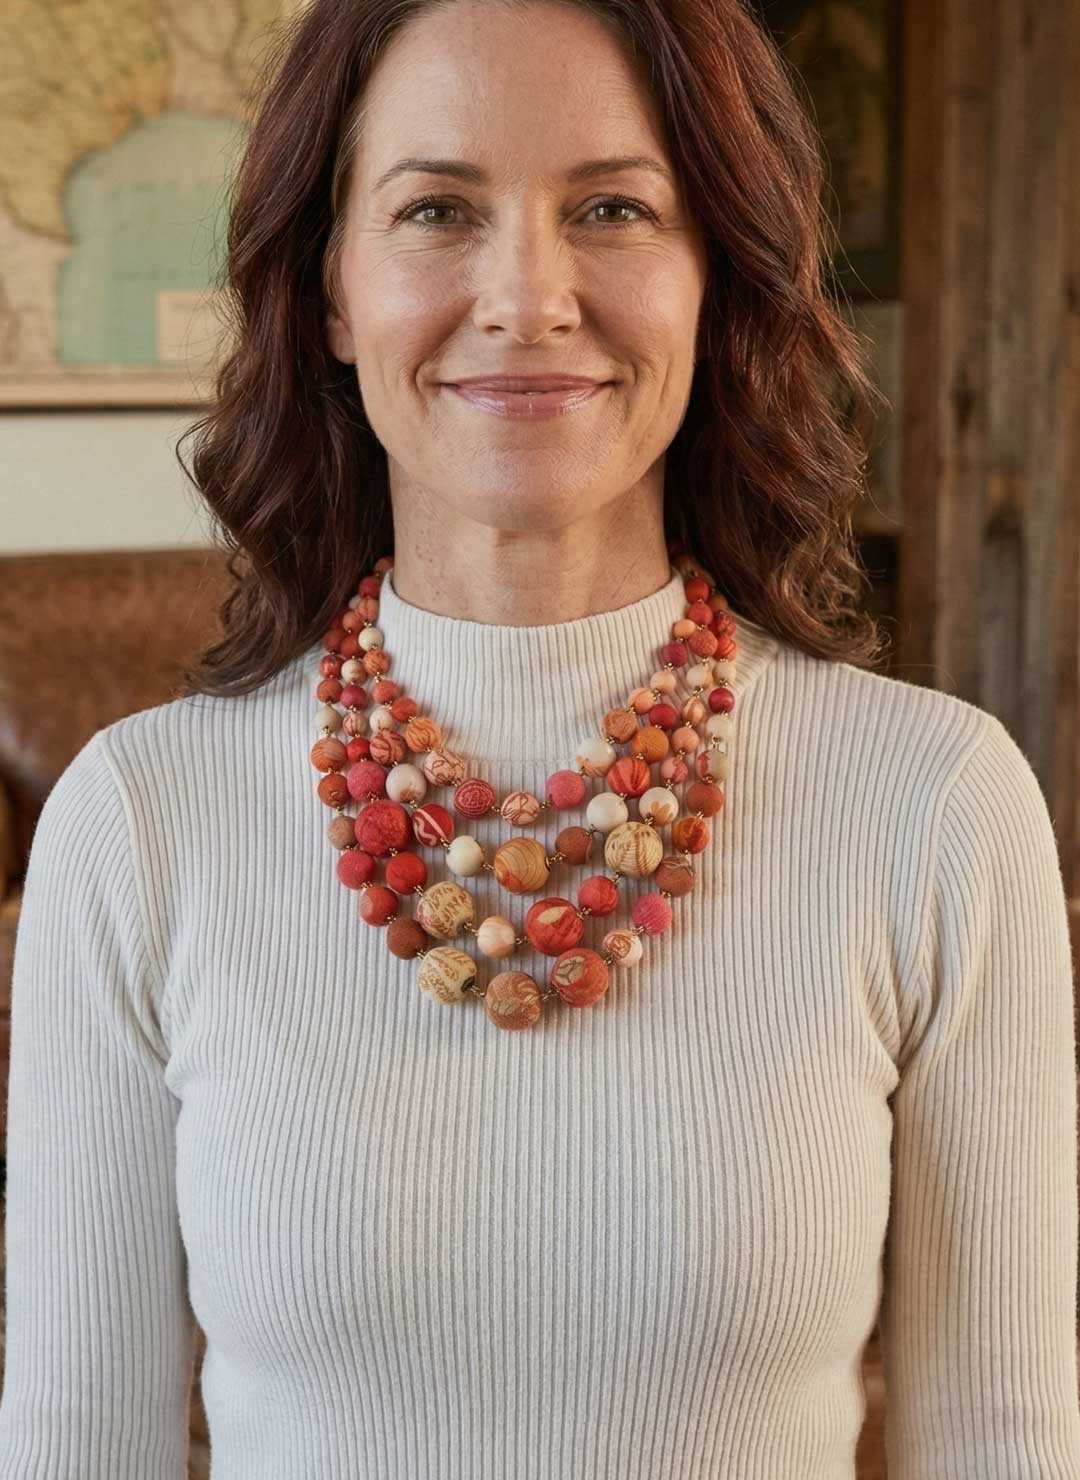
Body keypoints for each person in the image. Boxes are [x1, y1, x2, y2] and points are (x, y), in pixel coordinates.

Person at [2, 0, 1078, 1475]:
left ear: (714, 277)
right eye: (436, 210)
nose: (527, 296)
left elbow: (1006, 1445)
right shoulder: (137, 821)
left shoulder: (938, 805)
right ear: (331, 290)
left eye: (614, 209)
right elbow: (76, 1449)